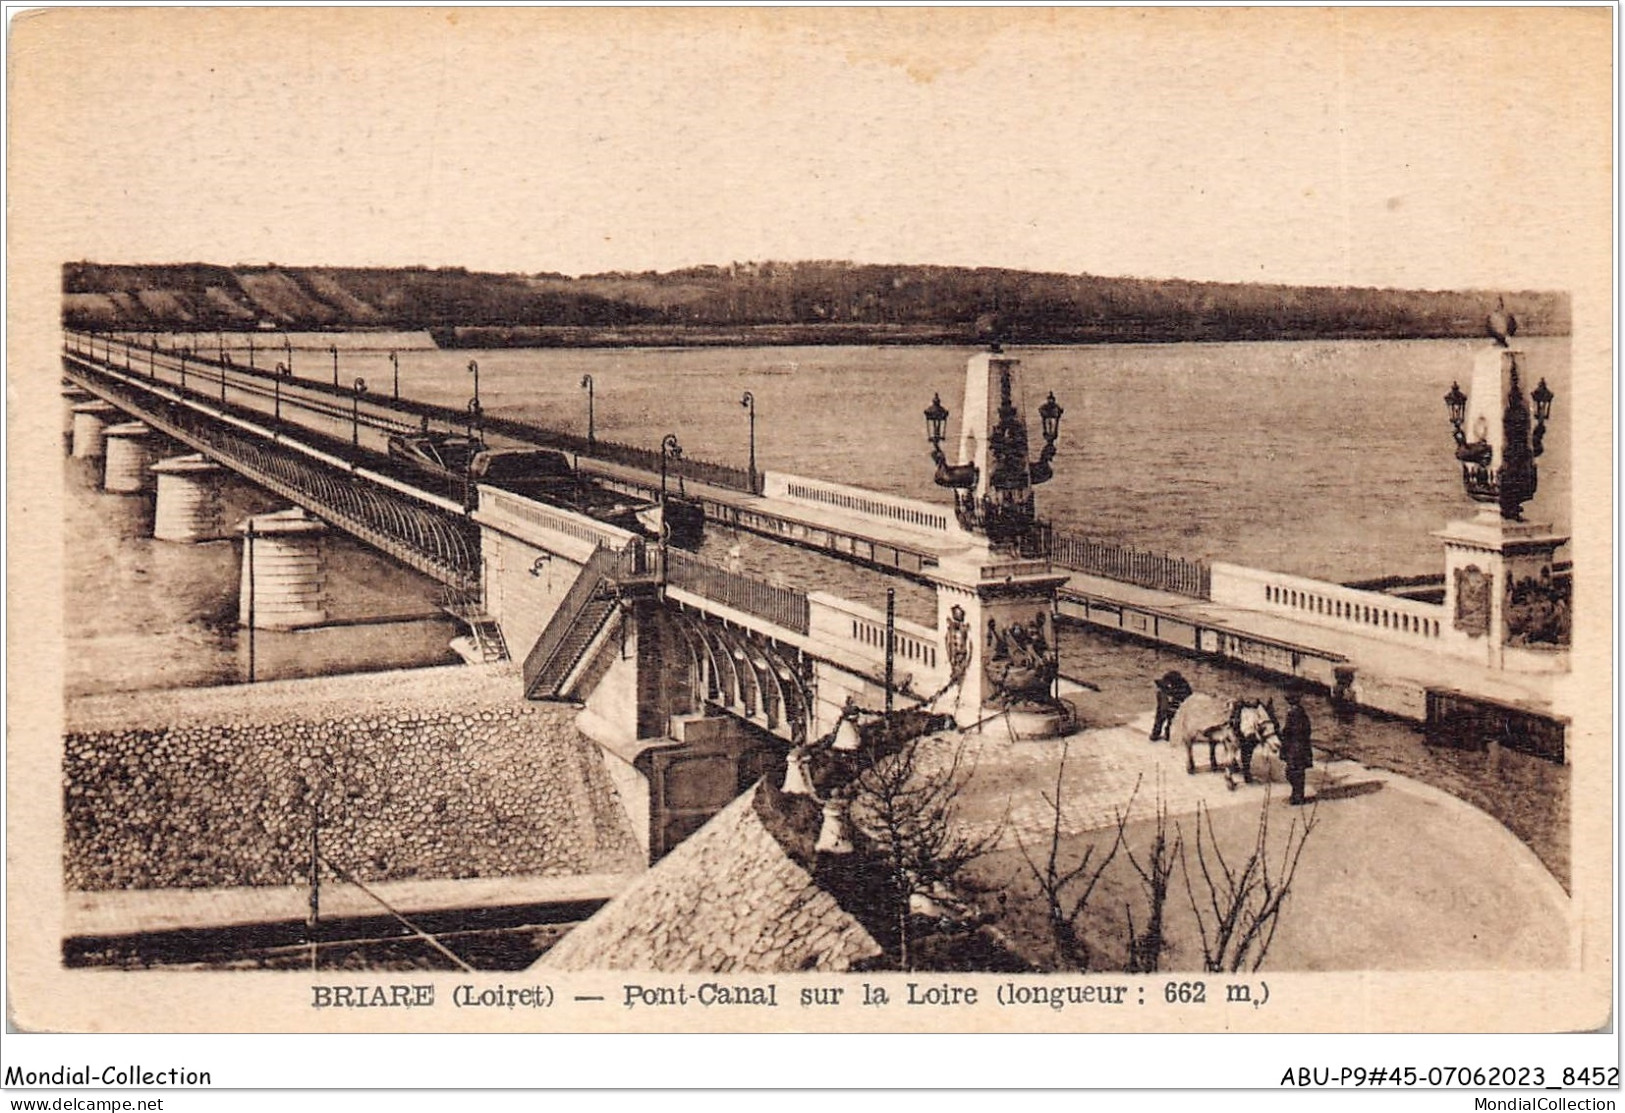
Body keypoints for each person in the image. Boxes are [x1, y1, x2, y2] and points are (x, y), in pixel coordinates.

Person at [1280, 689, 1315, 805]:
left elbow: (1289, 730)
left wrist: (1285, 735)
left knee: (1293, 771)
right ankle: (1297, 795)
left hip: (1296, 747)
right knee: (1297, 771)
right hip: (1300, 746)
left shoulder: (1294, 713)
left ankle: (1297, 796)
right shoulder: (1300, 712)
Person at [1150, 670, 1192, 741]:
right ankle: (1160, 733)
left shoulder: (1182, 688)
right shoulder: (1182, 686)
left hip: (1176, 700)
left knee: (1166, 716)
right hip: (1172, 699)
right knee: (1164, 715)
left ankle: (1162, 734)